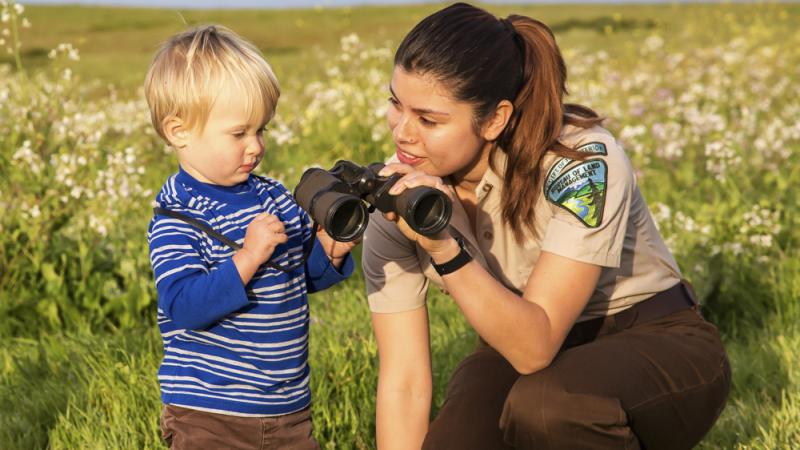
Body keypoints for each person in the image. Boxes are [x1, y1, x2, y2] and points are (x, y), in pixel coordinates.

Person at [362, 3, 730, 449]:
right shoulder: (400, 201)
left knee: (548, 407)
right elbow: (403, 382)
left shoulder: (581, 162)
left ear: (495, 118)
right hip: (520, 352)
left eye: (428, 119)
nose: (401, 132)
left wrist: (443, 248)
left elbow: (534, 348)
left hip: (651, 340)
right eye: (395, 104)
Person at [144, 25, 355, 449]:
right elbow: (183, 306)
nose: (255, 146)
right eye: (239, 133)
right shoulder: (178, 215)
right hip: (209, 411)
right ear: (179, 131)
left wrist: (328, 255)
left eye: (261, 130)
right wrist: (248, 257)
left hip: (287, 406)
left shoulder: (272, 196)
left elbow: (297, 276)